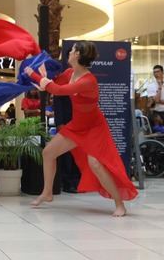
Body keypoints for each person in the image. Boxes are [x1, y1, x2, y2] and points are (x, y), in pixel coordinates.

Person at [24, 41, 137, 217]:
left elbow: (58, 90)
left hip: (94, 128)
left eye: (73, 50)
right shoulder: (70, 73)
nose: (69, 53)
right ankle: (47, 193)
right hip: (77, 126)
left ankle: (119, 203)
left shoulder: (88, 80)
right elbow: (54, 84)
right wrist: (42, 75)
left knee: (96, 164)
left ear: (77, 55)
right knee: (48, 153)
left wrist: (34, 75)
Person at [147, 65, 164, 130]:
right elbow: (154, 101)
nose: (156, 74)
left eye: (158, 71)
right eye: (154, 72)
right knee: (157, 135)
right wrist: (159, 87)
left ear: (162, 73)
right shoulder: (150, 86)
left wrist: (157, 100)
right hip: (156, 113)